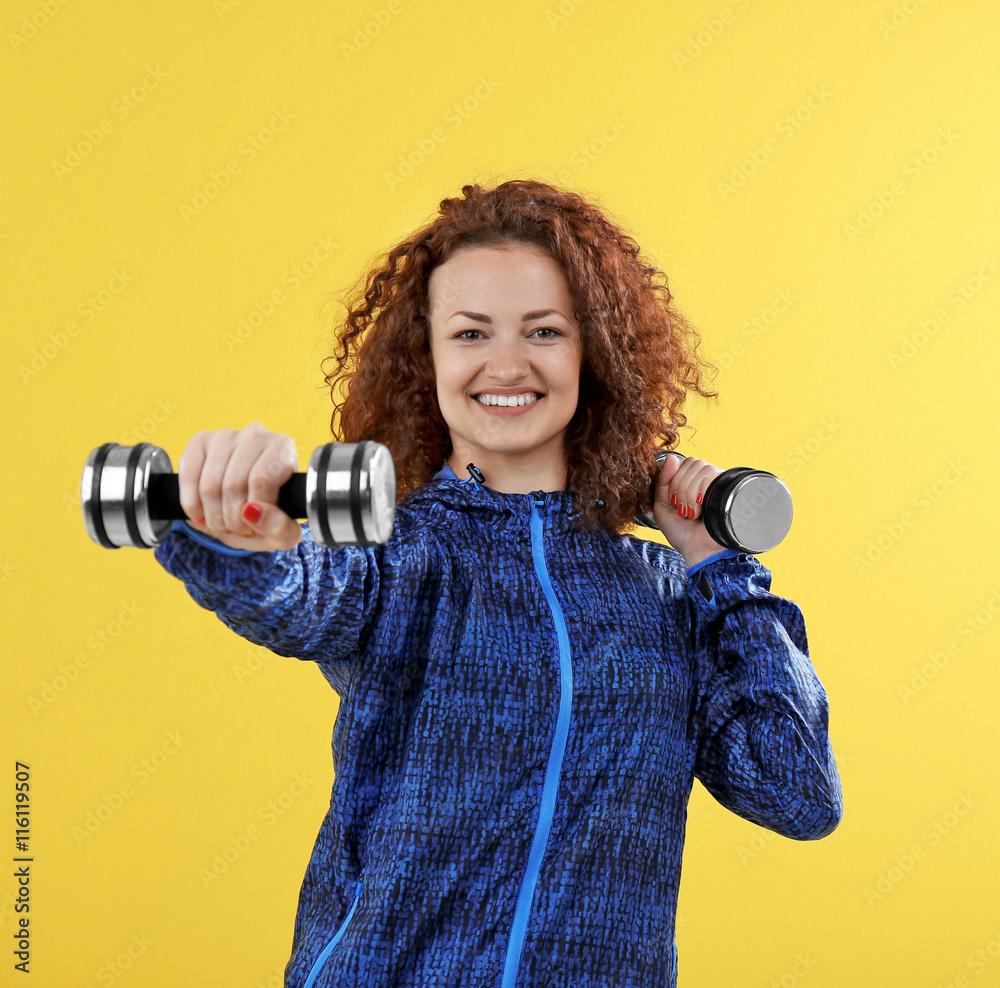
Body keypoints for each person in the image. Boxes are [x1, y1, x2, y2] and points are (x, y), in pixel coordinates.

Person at [153, 179, 843, 988]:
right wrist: (246, 540)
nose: (507, 364)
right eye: (471, 333)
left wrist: (720, 569)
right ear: (429, 356)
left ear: (595, 353)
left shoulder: (666, 594)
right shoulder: (395, 553)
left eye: (544, 330)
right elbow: (296, 595)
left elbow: (795, 791)